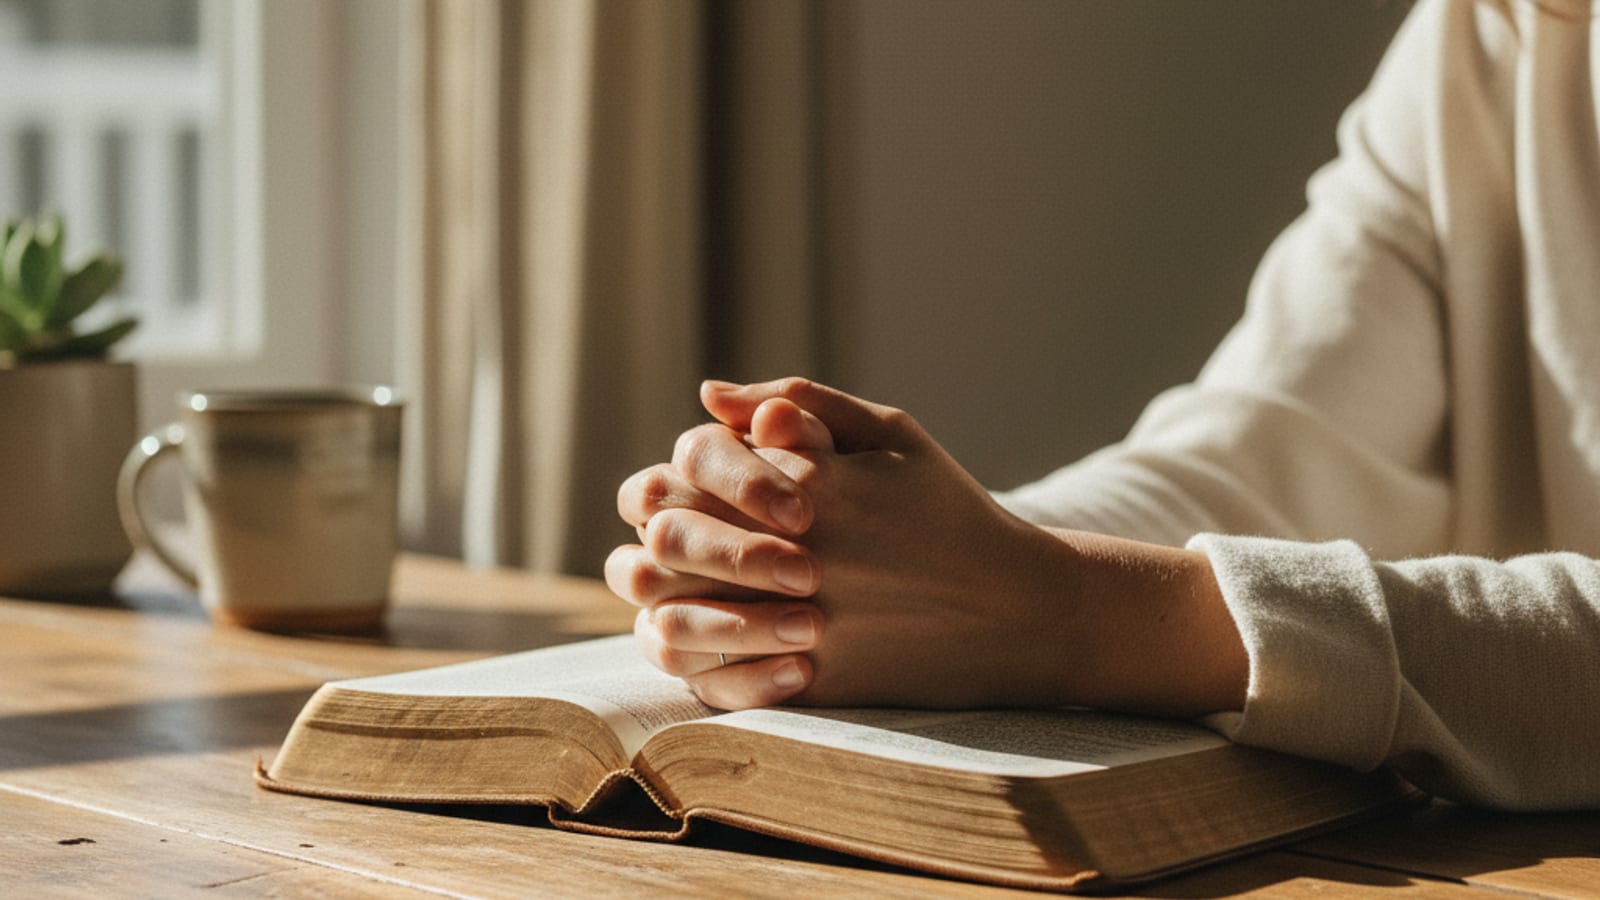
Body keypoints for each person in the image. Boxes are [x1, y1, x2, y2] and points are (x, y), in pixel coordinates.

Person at [606, 0, 1600, 812]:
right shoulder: (1493, 28)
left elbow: (1070, 598)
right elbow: (1265, 442)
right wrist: (861, 561)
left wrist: (1067, 611)